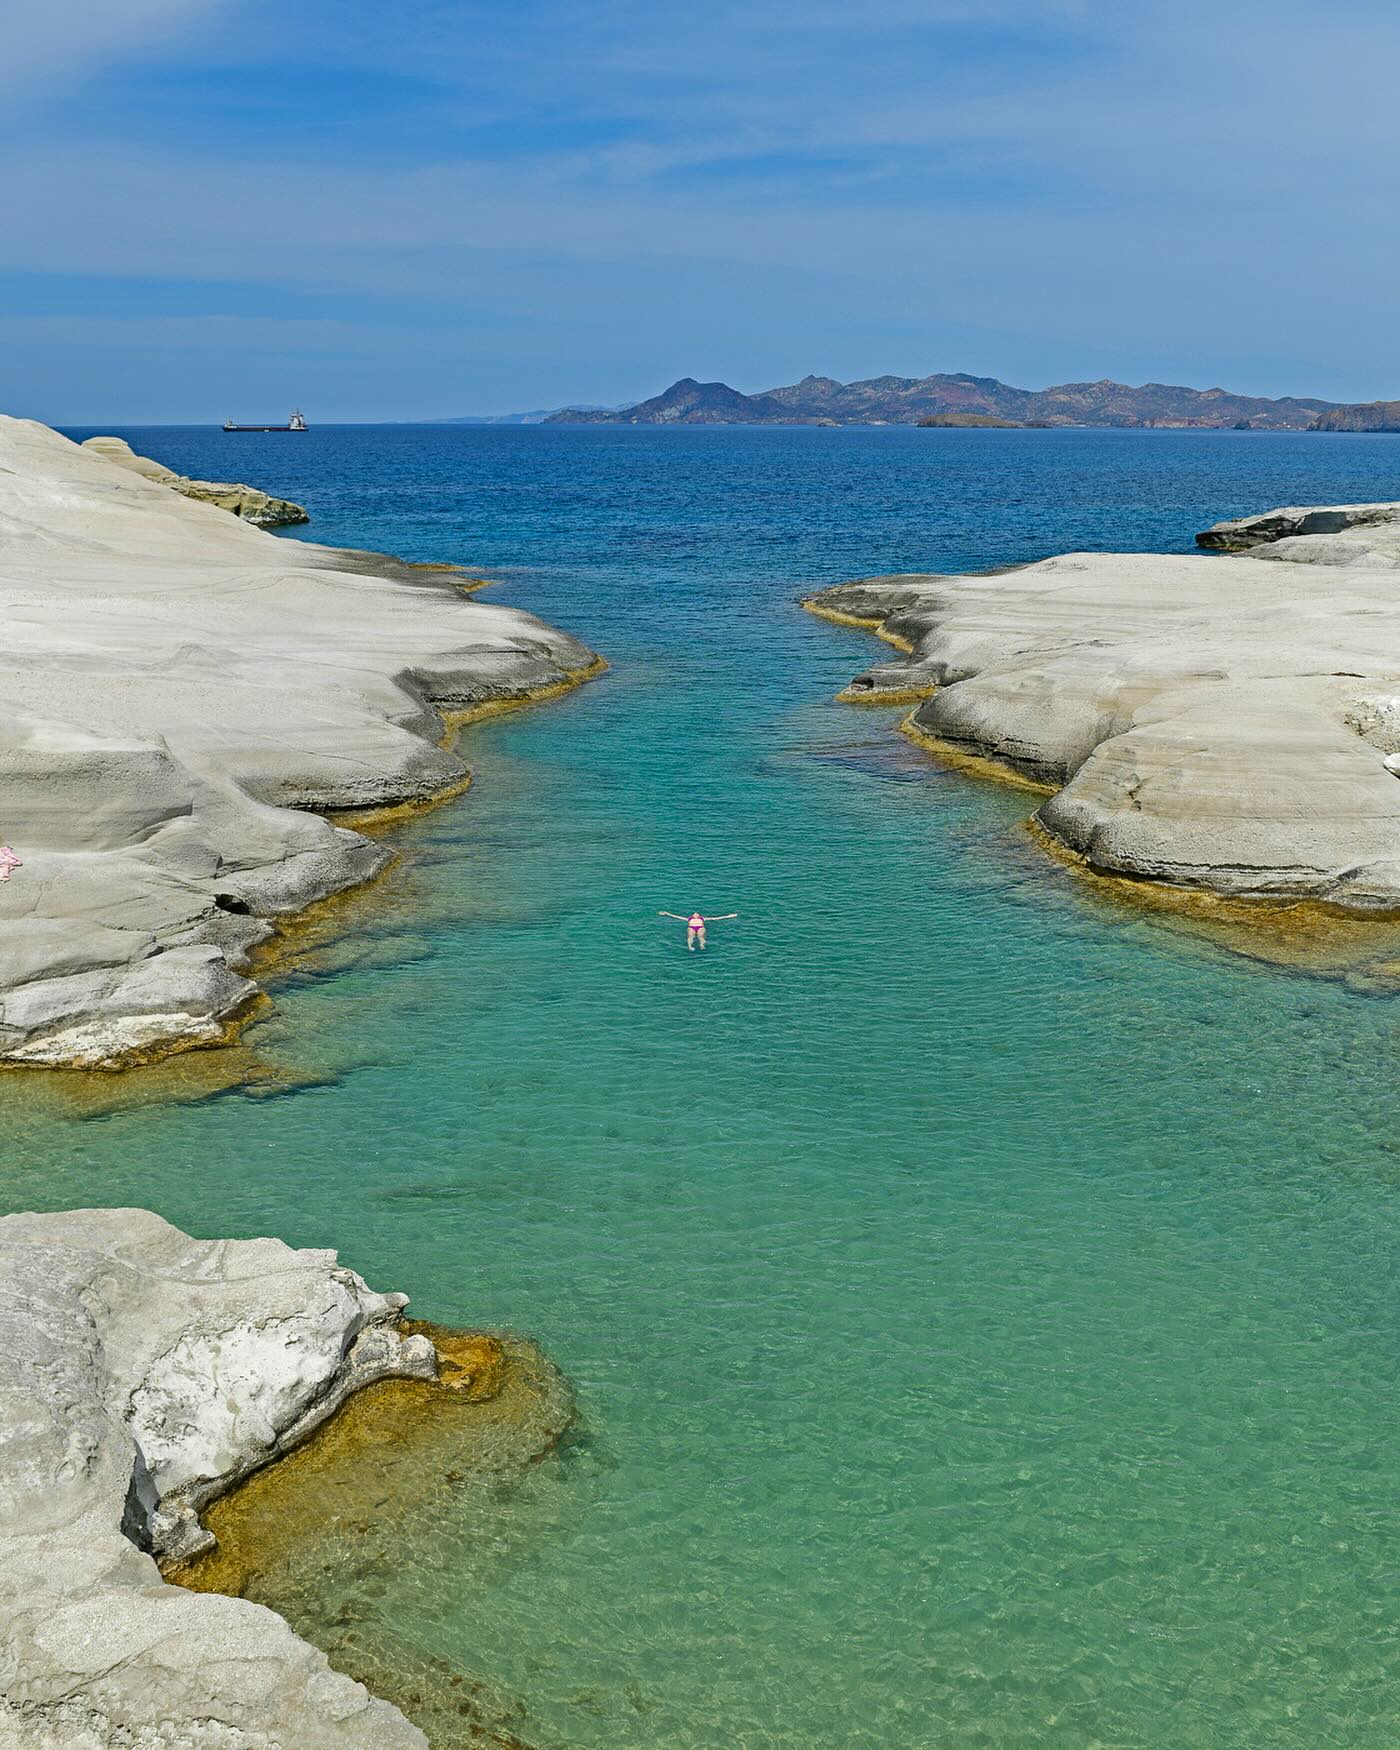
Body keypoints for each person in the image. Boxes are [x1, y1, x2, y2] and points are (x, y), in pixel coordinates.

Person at [658, 909, 738, 951]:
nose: (695, 913)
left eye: (697, 913)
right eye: (694, 913)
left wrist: (729, 916)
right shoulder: (688, 919)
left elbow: (715, 918)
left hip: (700, 927)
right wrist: (667, 913)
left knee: (701, 936)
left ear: (699, 916)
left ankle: (702, 945)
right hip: (691, 927)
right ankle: (690, 946)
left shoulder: (703, 918)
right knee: (690, 936)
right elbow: (677, 916)